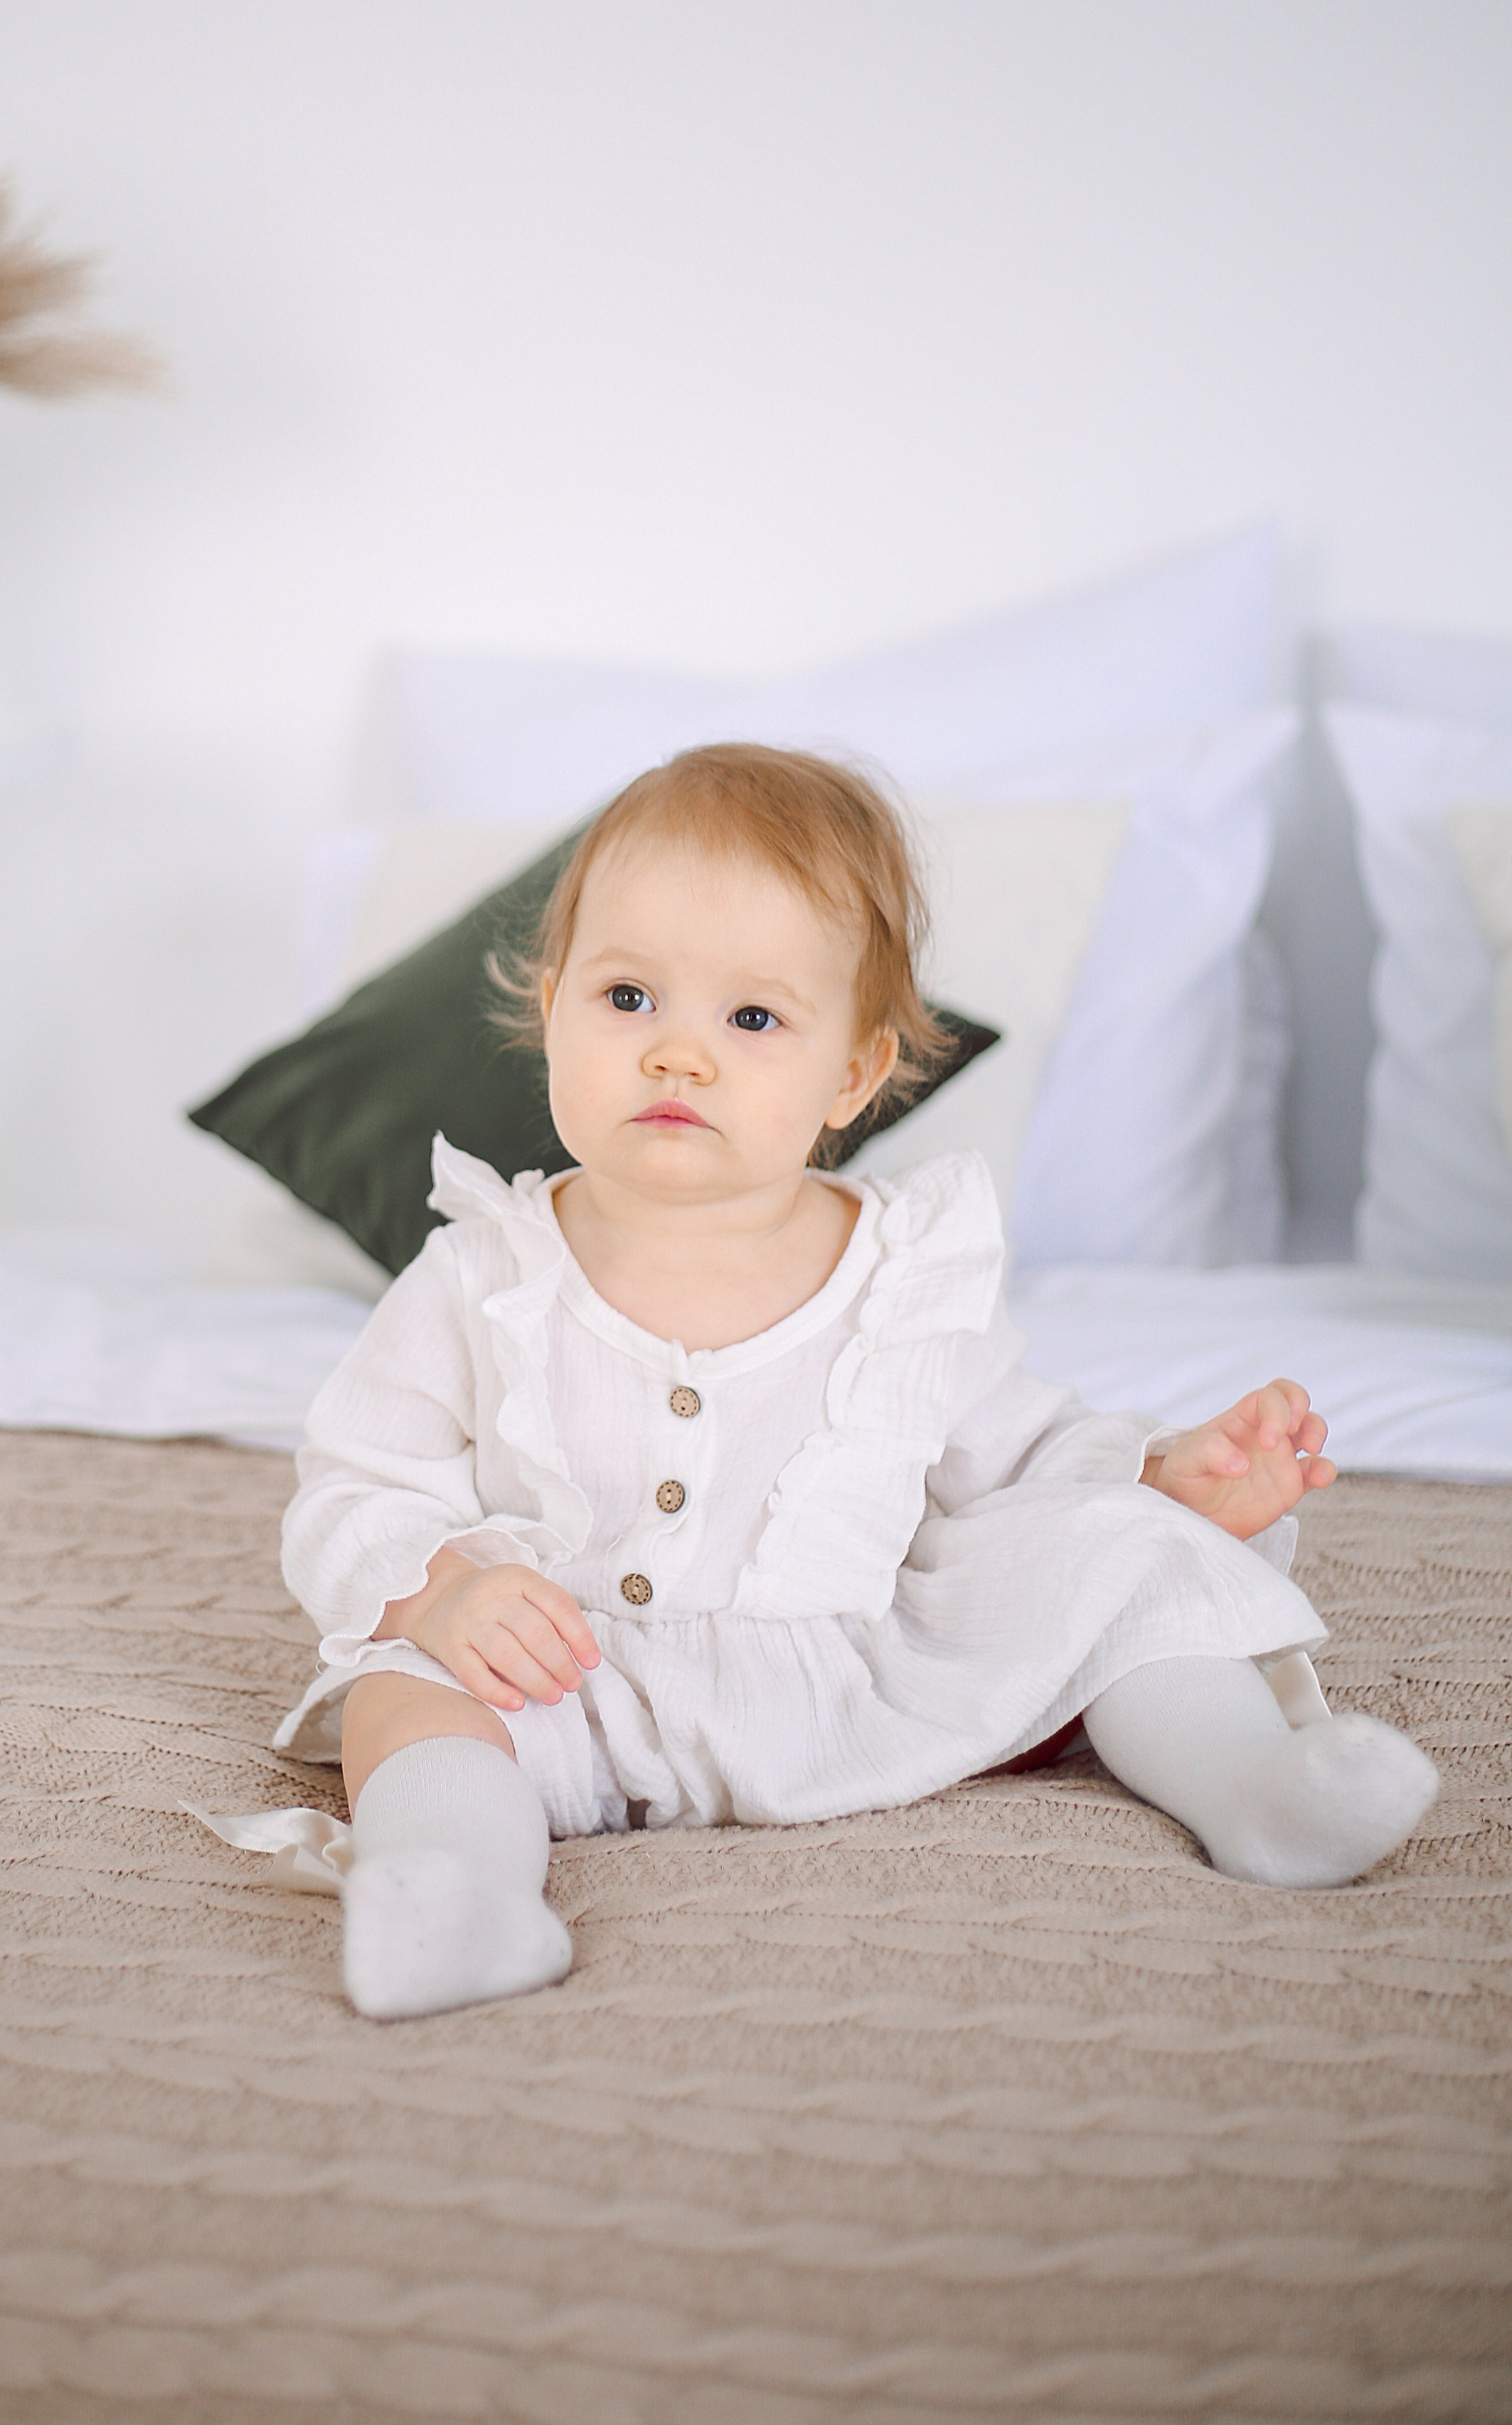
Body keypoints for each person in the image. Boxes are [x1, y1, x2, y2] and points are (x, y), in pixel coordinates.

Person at [275, 743, 1439, 2020]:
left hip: (855, 1675)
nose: (678, 1056)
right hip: (564, 1683)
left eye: (753, 1018)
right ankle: (461, 1895)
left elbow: (1022, 1448)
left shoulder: (901, 1274)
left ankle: (1256, 1790)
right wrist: (444, 1593)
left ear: (854, 1074)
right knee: (400, 1697)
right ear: (551, 1007)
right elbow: (354, 1487)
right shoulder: (480, 1270)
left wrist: (1169, 1477)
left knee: (1117, 1553)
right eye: (625, 998)